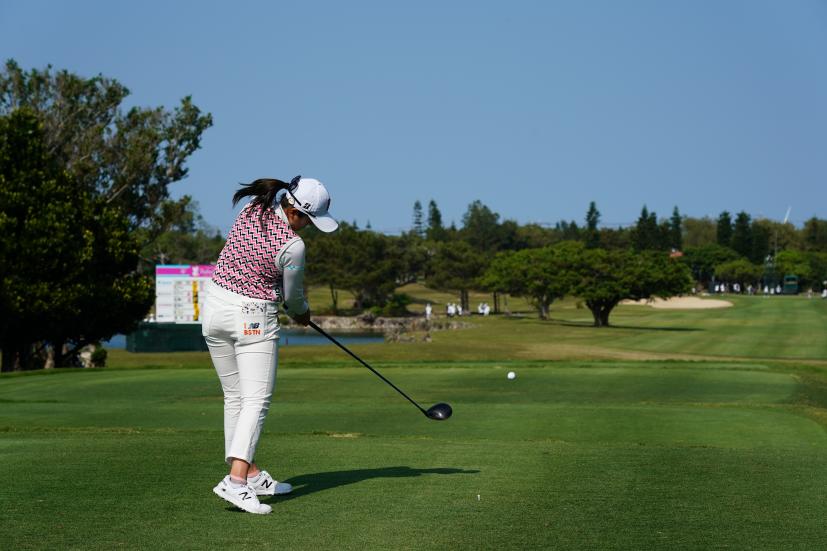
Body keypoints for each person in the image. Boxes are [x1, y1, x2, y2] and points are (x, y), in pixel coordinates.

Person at [201, 175, 338, 514]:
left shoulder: (252, 207)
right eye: (309, 220)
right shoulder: (293, 246)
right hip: (252, 318)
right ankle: (235, 482)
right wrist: (302, 314)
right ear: (296, 213)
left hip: (214, 310)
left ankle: (249, 473)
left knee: (235, 397)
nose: (308, 227)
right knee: (255, 401)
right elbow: (293, 298)